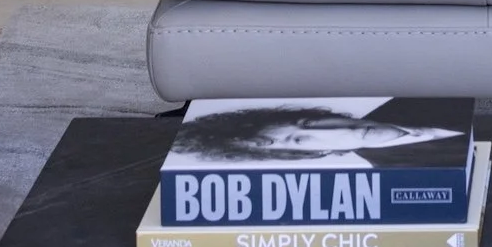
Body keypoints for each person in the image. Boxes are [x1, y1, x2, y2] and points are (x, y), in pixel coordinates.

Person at [170, 97, 467, 169]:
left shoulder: (411, 100)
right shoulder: (401, 170)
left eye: (308, 124)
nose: (339, 129)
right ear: (316, 153)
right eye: (300, 140)